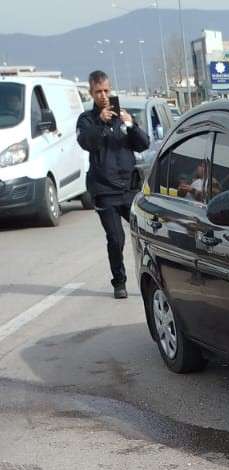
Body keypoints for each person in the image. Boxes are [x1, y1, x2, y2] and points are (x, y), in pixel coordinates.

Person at [76, 70, 150, 299]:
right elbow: (86, 142)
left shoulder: (122, 116)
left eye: (106, 90)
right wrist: (100, 122)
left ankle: (156, 276)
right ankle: (119, 282)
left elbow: (143, 144)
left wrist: (131, 125)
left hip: (128, 189)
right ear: (91, 93)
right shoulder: (87, 120)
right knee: (116, 238)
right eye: (98, 92)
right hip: (105, 191)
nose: (103, 95)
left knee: (147, 231)